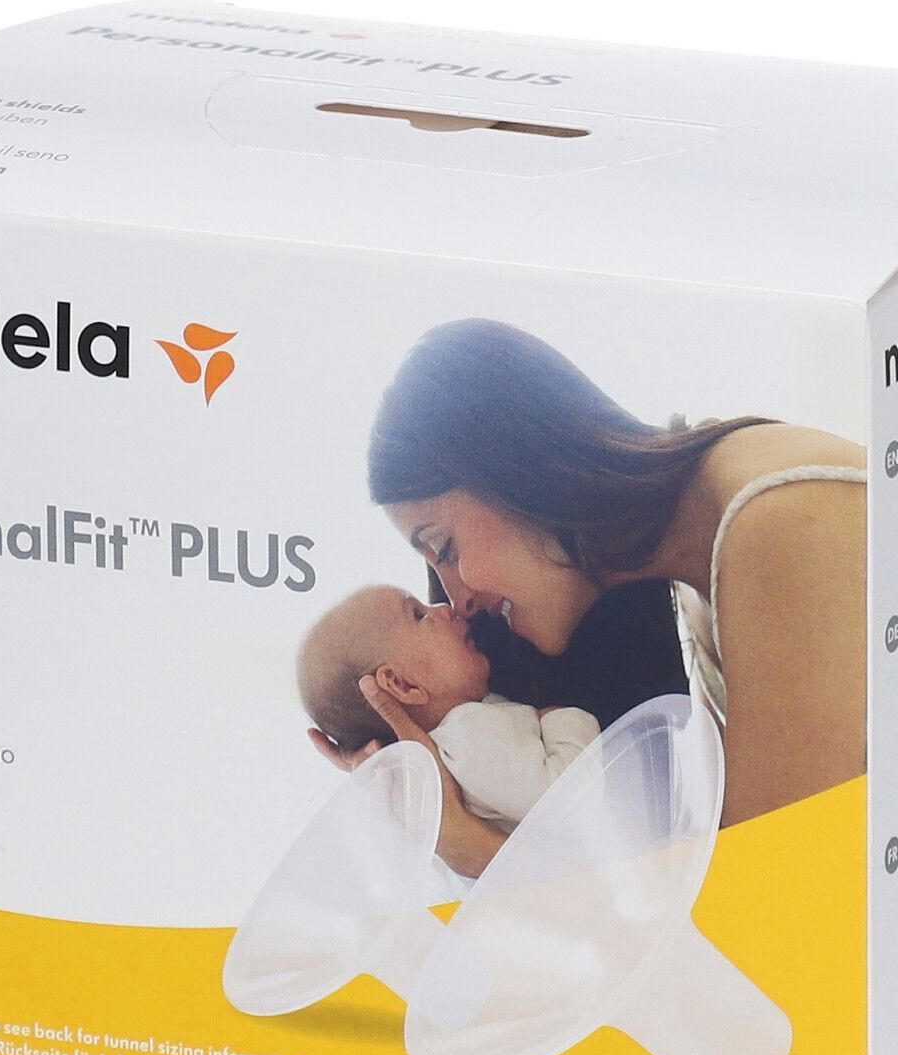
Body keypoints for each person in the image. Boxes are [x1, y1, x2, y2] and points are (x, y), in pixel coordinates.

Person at [310, 318, 867, 878]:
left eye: (445, 548)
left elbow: (772, 896)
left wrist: (469, 846)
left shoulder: (782, 524)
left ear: (518, 473)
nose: (457, 602)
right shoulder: (696, 558)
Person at [298, 583, 600, 835]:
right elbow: (570, 800)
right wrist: (560, 717)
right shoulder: (468, 737)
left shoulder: (441, 765)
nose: (444, 608)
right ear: (402, 685)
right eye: (419, 615)